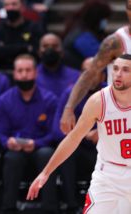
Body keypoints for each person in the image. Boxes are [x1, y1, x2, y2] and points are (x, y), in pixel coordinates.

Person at [27, 54, 131, 213]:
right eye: (115, 69)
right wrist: (45, 172)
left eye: (125, 70)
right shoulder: (99, 101)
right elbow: (73, 138)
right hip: (109, 175)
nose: (118, 74)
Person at [0, 54, 58, 213]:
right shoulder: (4, 100)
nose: (24, 74)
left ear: (35, 72)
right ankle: (8, 207)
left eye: (28, 70)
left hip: (40, 147)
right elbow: (0, 132)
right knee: (11, 157)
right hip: (16, 149)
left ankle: (51, 208)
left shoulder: (50, 99)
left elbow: (54, 133)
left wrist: (36, 144)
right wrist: (7, 142)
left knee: (47, 154)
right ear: (14, 74)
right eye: (20, 70)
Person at [61, 0, 131, 134]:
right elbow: (89, 74)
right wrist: (69, 109)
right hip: (120, 115)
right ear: (127, 11)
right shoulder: (115, 42)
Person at [51, 57, 103, 212]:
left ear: (103, 75)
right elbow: (56, 131)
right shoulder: (70, 94)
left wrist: (103, 132)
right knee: (67, 154)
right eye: (87, 72)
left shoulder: (111, 93)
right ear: (80, 75)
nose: (91, 76)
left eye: (96, 72)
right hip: (79, 148)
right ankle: (71, 205)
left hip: (105, 149)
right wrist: (84, 133)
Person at [0, 0, 43, 71]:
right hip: (3, 71)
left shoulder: (34, 27)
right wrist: (25, 48)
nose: (10, 8)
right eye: (7, 5)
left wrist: (6, 49)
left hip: (28, 72)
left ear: (22, 7)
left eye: (14, 4)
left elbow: (36, 51)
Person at [62, 0, 112, 69]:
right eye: (104, 18)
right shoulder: (82, 37)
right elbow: (101, 58)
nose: (105, 22)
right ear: (97, 18)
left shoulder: (78, 29)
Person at [36, 33, 80, 98]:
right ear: (39, 52)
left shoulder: (76, 76)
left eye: (55, 46)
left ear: (62, 52)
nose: (50, 50)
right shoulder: (31, 76)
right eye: (45, 46)